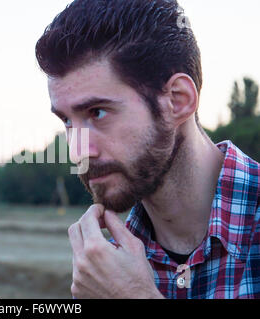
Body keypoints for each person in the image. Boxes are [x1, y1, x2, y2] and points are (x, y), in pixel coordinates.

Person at [35, 0, 260, 298]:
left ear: (177, 100)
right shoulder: (109, 267)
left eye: (97, 112)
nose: (78, 152)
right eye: (67, 120)